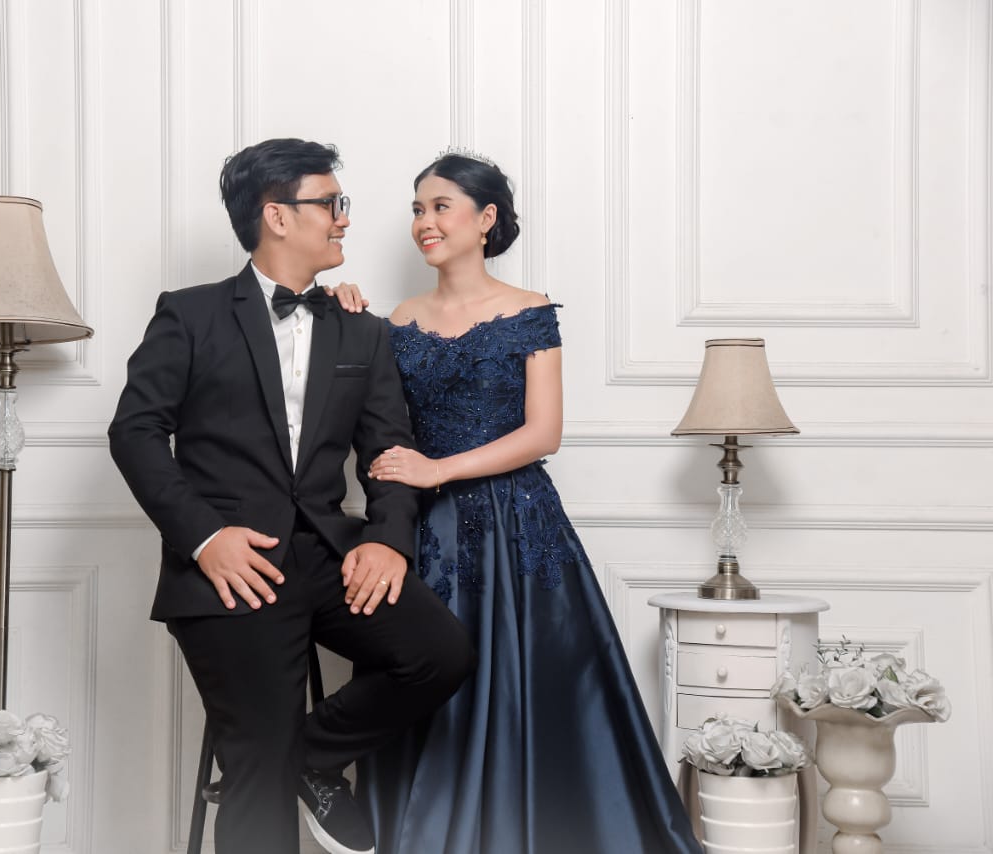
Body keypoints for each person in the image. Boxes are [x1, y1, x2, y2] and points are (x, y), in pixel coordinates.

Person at [108, 138, 475, 854]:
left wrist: (387, 539)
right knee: (256, 772)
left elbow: (389, 453)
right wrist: (206, 539)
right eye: (331, 203)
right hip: (232, 568)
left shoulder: (362, 331)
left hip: (329, 556)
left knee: (441, 653)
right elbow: (135, 433)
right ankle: (277, 765)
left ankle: (309, 758)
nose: (344, 218)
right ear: (276, 216)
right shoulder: (189, 314)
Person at [335, 152, 701, 853]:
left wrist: (437, 468)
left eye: (441, 206)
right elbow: (370, 411)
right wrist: (343, 310)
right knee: (425, 677)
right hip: (427, 534)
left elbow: (543, 434)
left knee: (532, 687)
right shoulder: (397, 320)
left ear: (486, 218)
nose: (425, 222)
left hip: (517, 524)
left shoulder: (530, 312)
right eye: (417, 209)